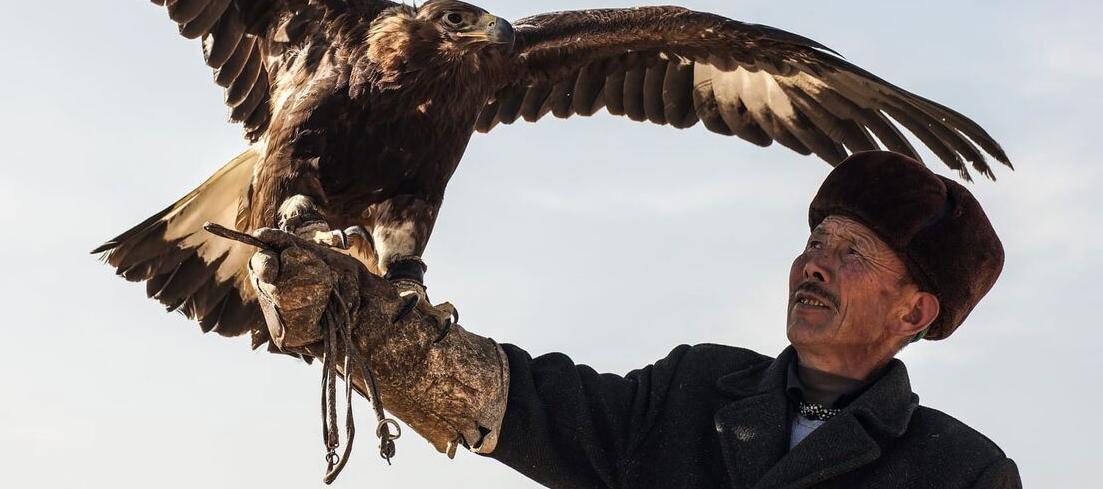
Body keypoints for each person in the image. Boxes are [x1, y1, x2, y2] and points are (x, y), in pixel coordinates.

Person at [247, 151, 1020, 488]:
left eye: (854, 251)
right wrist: (364, 322)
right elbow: (518, 402)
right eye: (815, 240)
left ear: (916, 310)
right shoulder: (697, 391)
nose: (815, 262)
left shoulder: (960, 473)